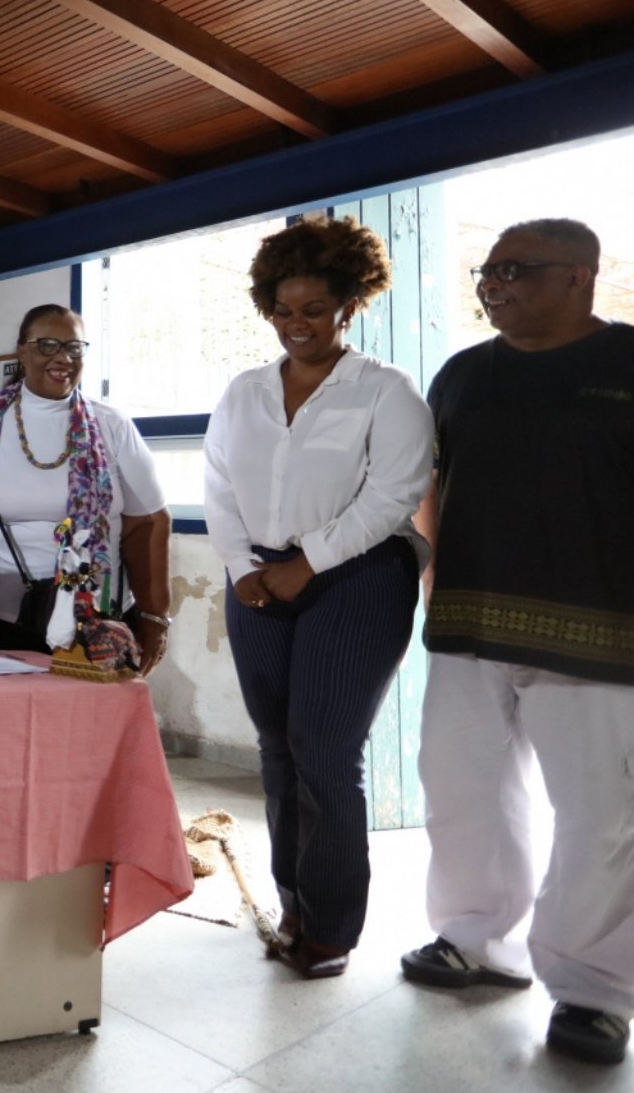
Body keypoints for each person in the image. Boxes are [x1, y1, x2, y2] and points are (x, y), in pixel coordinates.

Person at [400, 218, 632, 1066]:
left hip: (604, 632)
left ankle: (594, 993)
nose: (493, 285)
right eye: (485, 272)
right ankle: (476, 944)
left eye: (514, 270)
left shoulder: (627, 363)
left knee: (602, 820)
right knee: (463, 790)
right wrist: (433, 577)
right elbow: (431, 482)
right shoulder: (463, 373)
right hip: (468, 622)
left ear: (579, 276)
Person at [202, 218, 431, 981]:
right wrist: (240, 564)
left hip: (358, 579)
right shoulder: (243, 393)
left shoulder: (385, 391)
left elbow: (397, 492)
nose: (297, 325)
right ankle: (291, 899)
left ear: (348, 307)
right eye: (283, 310)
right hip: (257, 578)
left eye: (314, 310)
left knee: (326, 753)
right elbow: (220, 485)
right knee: (276, 752)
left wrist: (311, 562)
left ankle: (331, 926)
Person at [0, 304, 171, 670]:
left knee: (87, 726)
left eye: (74, 348)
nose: (63, 358)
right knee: (5, 724)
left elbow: (149, 521)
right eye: (47, 345)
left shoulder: (112, 426)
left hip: (97, 623)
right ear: (22, 352)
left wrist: (155, 617)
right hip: (1, 621)